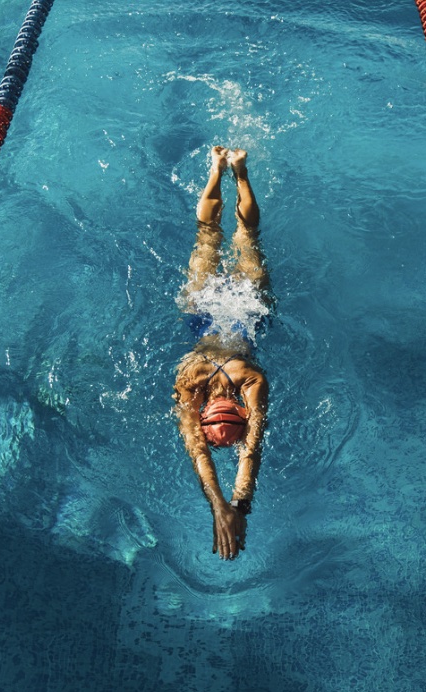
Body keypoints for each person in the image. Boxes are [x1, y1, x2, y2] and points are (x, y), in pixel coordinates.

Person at [172, 147, 270, 561]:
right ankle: (220, 170)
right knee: (208, 234)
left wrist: (234, 506)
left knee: (245, 238)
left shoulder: (252, 379)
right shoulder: (191, 378)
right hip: (201, 311)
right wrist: (225, 504)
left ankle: (239, 172)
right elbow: (198, 447)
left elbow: (251, 448)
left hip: (248, 311)